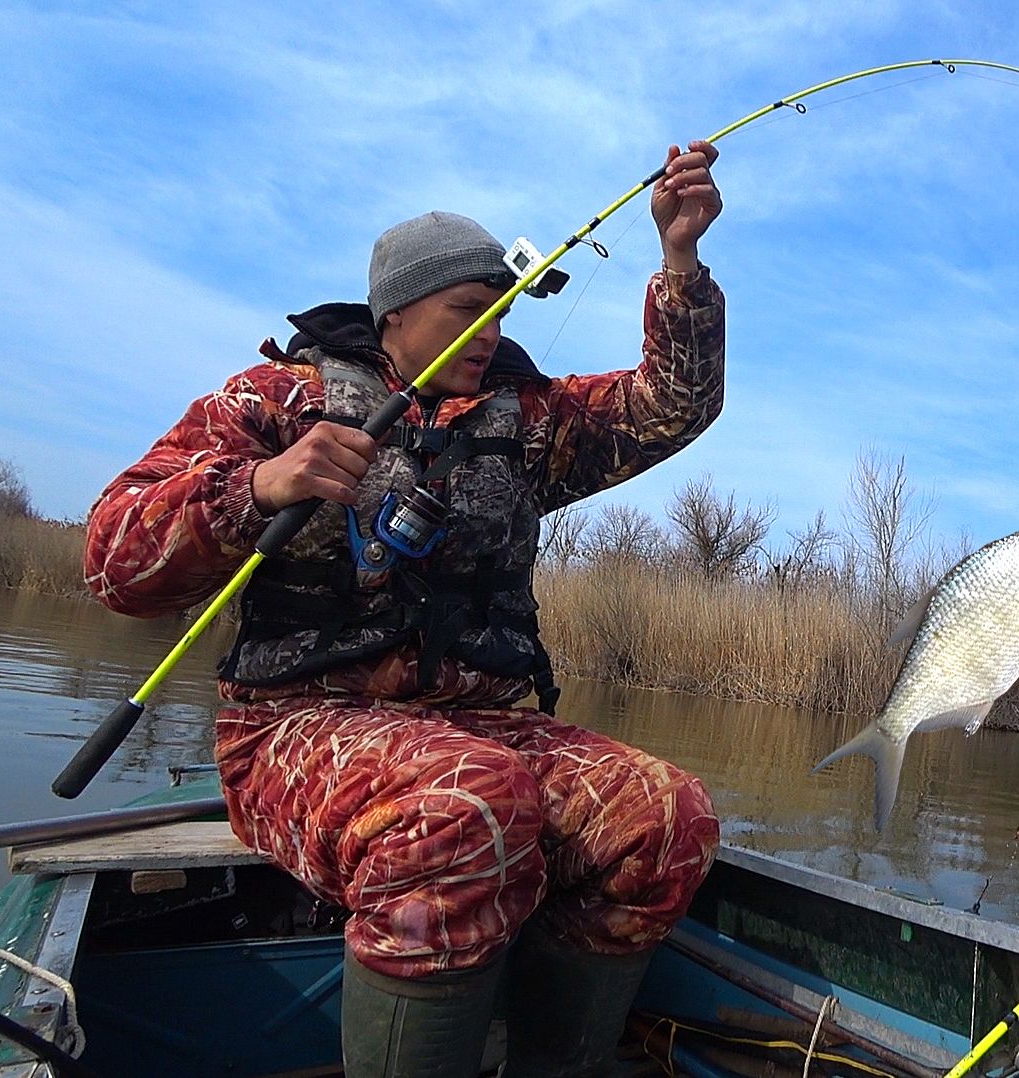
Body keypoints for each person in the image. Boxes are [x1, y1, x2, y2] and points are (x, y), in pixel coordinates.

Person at [83, 141, 727, 1077]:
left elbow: (674, 409)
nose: (489, 334)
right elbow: (113, 560)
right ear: (395, 314)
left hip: (488, 728)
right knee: (461, 809)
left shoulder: (529, 419)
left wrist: (678, 261)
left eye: (501, 315)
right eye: (469, 312)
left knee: (667, 819)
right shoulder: (274, 401)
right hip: (296, 727)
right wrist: (257, 487)